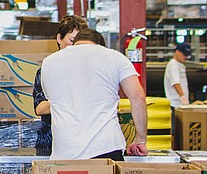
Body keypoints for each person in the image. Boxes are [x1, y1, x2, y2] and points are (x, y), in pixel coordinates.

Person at [39, 28, 148, 160]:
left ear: (75, 43)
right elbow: (138, 97)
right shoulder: (115, 57)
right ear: (100, 45)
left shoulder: (49, 62)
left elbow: (51, 100)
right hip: (106, 149)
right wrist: (140, 140)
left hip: (64, 152)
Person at [32, 14, 88, 156]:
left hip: (85, 142)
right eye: (72, 40)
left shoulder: (89, 70)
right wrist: (72, 100)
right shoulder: (46, 70)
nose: (76, 46)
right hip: (52, 142)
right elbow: (40, 108)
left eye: (81, 42)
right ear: (59, 39)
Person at [163, 42, 192, 109]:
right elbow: (175, 83)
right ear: (177, 52)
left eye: (187, 55)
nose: (185, 57)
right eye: (184, 54)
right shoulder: (173, 65)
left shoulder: (180, 65)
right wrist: (182, 97)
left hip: (180, 103)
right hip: (175, 104)